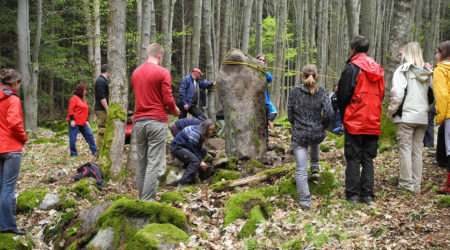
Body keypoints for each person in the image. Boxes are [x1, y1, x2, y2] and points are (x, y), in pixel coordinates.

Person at [337, 35, 385, 205]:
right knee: (368, 159)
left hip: (355, 119)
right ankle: (367, 195)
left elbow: (342, 95)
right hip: (372, 119)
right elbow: (381, 95)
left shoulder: (352, 68)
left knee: (353, 157)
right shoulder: (378, 69)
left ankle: (352, 195)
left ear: (353, 50)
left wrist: (343, 116)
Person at [131, 43, 180, 201]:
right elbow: (167, 98)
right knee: (155, 163)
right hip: (156, 121)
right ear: (160, 56)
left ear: (147, 55)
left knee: (142, 162)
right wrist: (175, 111)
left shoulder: (136, 73)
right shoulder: (162, 72)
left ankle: (142, 198)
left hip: (138, 122)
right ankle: (146, 202)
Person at [387, 42, 433, 193]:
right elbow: (432, 96)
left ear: (406, 53)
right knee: (417, 151)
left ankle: (407, 185)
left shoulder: (403, 70)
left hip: (406, 116)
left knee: (406, 150)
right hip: (421, 117)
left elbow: (397, 94)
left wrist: (391, 111)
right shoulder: (427, 73)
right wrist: (425, 110)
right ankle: (416, 184)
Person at [288, 64, 333, 210]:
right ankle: (314, 167)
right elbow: (329, 113)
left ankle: (305, 203)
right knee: (314, 137)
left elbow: (290, 114)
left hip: (300, 133)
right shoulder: (322, 92)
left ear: (302, 76)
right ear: (316, 76)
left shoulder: (294, 92)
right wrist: (322, 125)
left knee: (301, 169)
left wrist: (297, 124)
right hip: (315, 132)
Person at [0, 69, 27, 235]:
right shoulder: (12, 99)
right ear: (15, 83)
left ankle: (3, 223)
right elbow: (14, 123)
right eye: (20, 83)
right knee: (8, 188)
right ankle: (8, 225)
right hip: (11, 148)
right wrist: (23, 137)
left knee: (1, 187)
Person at [170, 120, 216, 186]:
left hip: (186, 146)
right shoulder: (195, 132)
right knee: (195, 161)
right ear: (205, 128)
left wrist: (201, 160)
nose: (211, 132)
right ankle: (183, 183)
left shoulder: (201, 132)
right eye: (210, 130)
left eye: (212, 130)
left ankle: (190, 168)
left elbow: (198, 148)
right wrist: (201, 161)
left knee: (203, 151)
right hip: (177, 147)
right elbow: (193, 149)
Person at [432, 40, 450, 194]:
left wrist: (440, 117)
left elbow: (442, 95)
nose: (436, 55)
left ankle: (449, 185)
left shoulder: (441, 70)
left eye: (437, 52)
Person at [67, 84, 97, 157]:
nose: (85, 92)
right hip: (75, 122)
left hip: (83, 122)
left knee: (90, 136)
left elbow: (85, 111)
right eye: (84, 90)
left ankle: (95, 152)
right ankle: (73, 154)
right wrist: (72, 120)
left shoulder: (83, 100)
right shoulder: (74, 98)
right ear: (80, 91)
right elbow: (70, 110)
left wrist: (87, 121)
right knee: (73, 139)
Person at [256, 54, 278, 141]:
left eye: (263, 60)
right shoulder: (251, 71)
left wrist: (263, 70)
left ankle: (266, 142)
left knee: (265, 122)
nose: (261, 61)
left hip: (264, 102)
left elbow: (269, 78)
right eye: (260, 60)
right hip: (253, 102)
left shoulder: (266, 73)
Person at [94, 64, 109, 150]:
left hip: (103, 108)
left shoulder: (104, 80)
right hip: (101, 109)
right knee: (102, 130)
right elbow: (101, 97)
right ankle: (99, 151)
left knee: (105, 129)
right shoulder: (100, 81)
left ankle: (104, 149)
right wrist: (107, 109)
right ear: (107, 70)